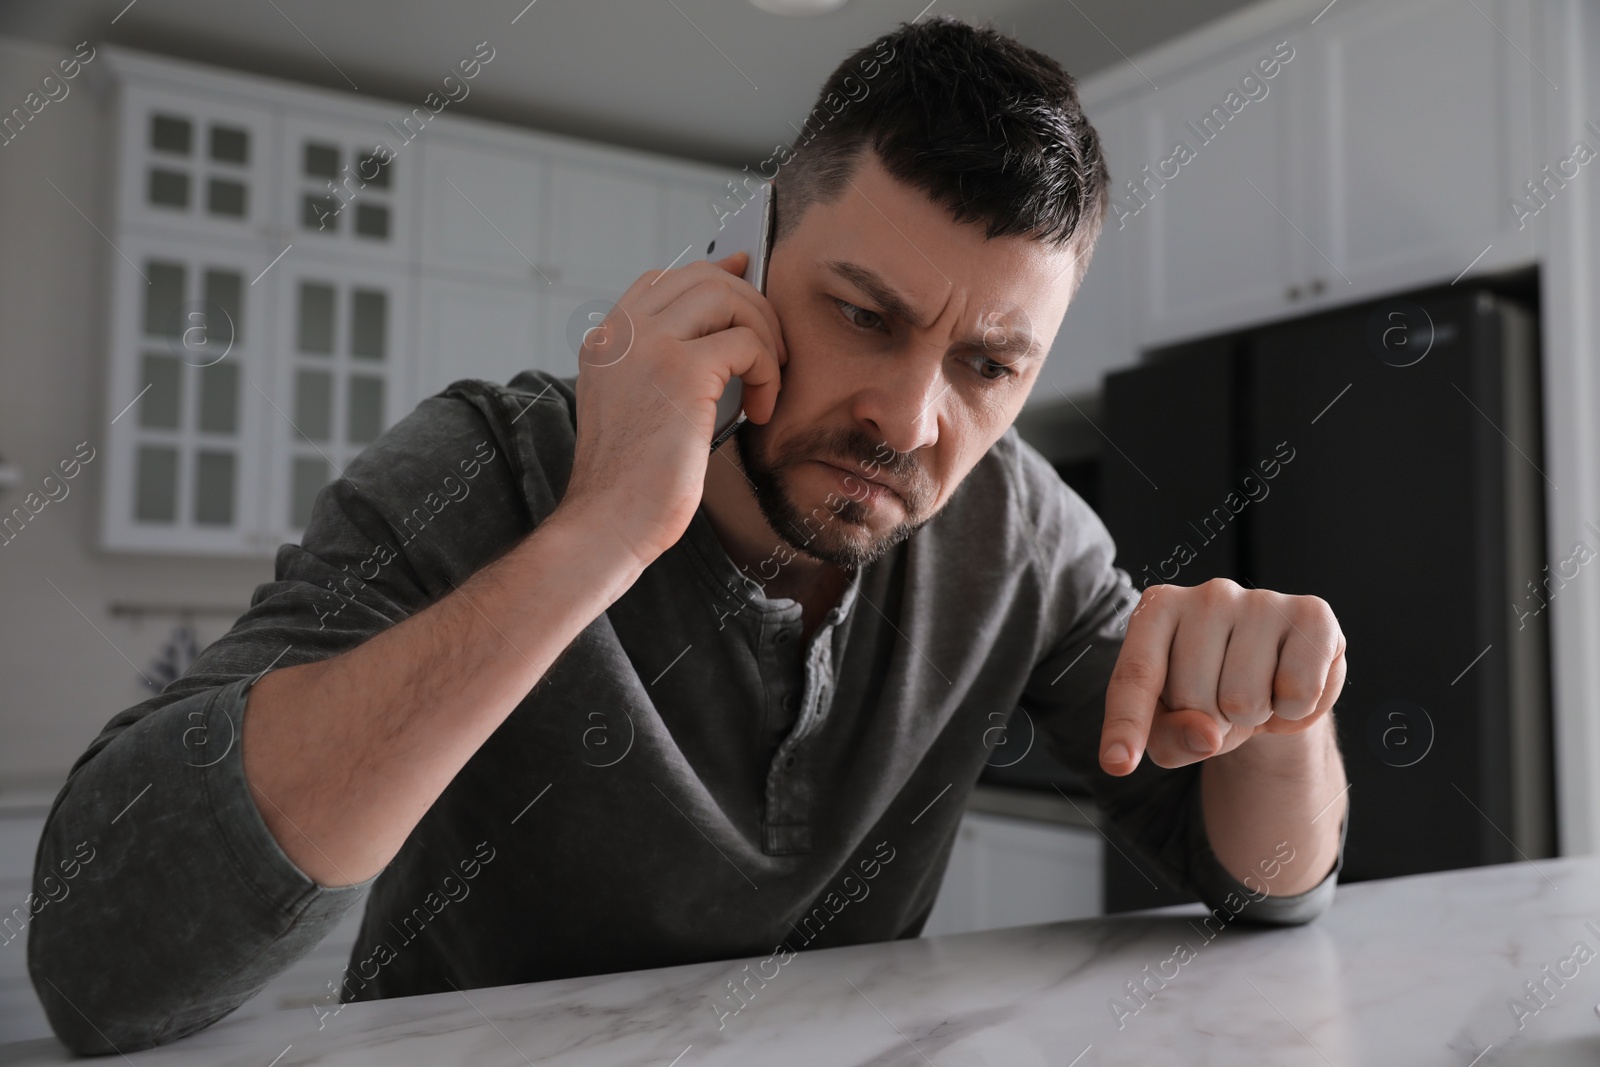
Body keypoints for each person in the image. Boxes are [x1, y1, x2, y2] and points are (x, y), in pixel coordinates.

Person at [29, 15, 1348, 1054]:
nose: (906, 419)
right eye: (867, 316)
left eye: (990, 367)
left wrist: (1283, 722)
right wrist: (605, 529)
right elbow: (105, 968)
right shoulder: (489, 462)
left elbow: (1266, 889)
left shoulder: (1025, 539)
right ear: (751, 271)